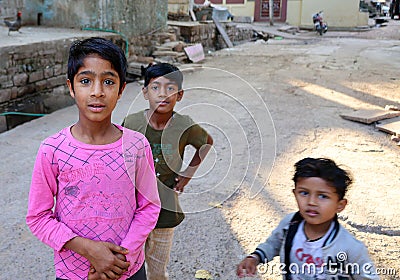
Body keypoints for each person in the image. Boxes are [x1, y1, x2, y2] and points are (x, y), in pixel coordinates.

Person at [26, 37, 161, 280]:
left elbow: (149, 207)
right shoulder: (52, 150)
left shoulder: (136, 146)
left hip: (128, 270)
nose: (97, 91)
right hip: (74, 273)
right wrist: (89, 250)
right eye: (86, 81)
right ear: (71, 87)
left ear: (121, 89)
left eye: (108, 81)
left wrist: (119, 260)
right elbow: (38, 217)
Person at [122, 63, 213, 280]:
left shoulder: (183, 125)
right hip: (132, 210)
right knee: (128, 265)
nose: (162, 94)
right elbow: (117, 156)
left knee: (157, 269)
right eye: (155, 87)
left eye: (170, 88)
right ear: (145, 92)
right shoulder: (132, 123)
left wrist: (187, 175)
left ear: (179, 95)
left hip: (165, 209)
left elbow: (206, 143)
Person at [237, 157, 379, 279]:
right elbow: (273, 244)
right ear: (295, 193)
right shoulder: (290, 224)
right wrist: (255, 258)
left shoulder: (350, 248)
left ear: (340, 205)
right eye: (304, 193)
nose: (311, 202)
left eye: (323, 196)